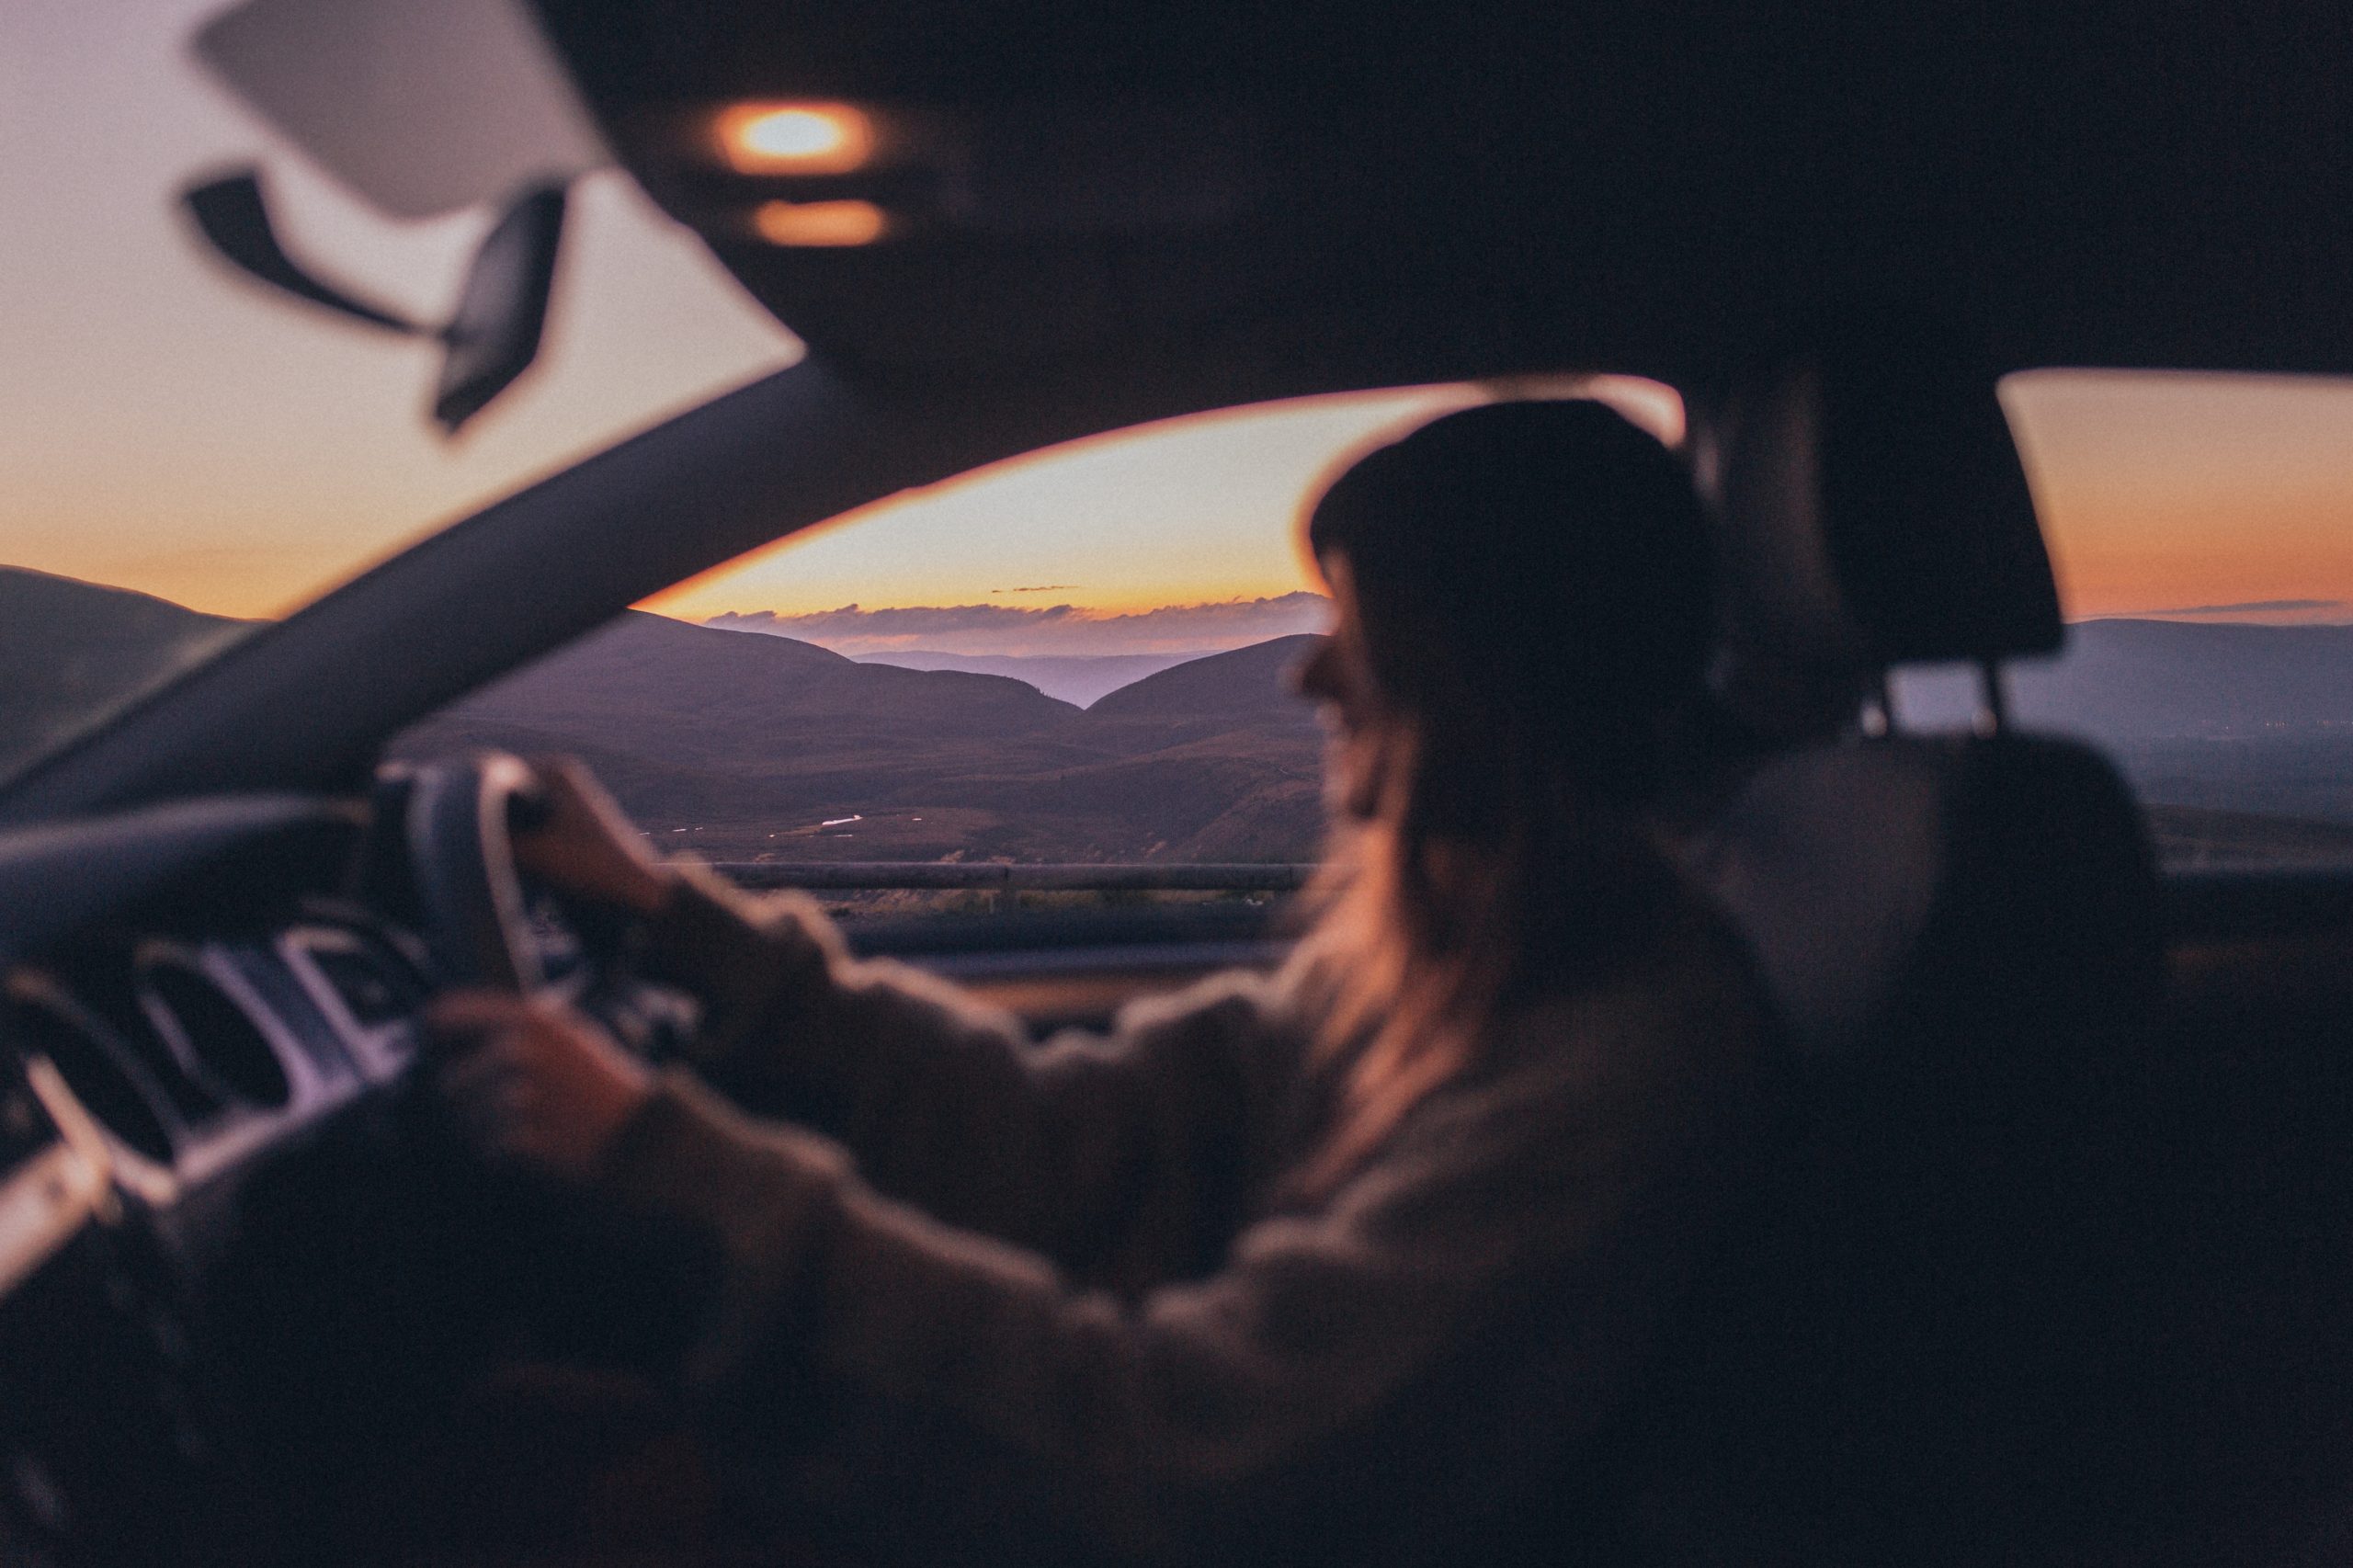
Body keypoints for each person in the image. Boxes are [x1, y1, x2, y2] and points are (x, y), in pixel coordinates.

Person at [427, 398, 1779, 1566]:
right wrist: (676, 922)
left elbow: (1182, 1463)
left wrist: (663, 1156)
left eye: (1361, 630)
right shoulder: (1451, 969)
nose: (1312, 673)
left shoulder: (1622, 1072)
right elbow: (1065, 1133)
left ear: (1489, 680)